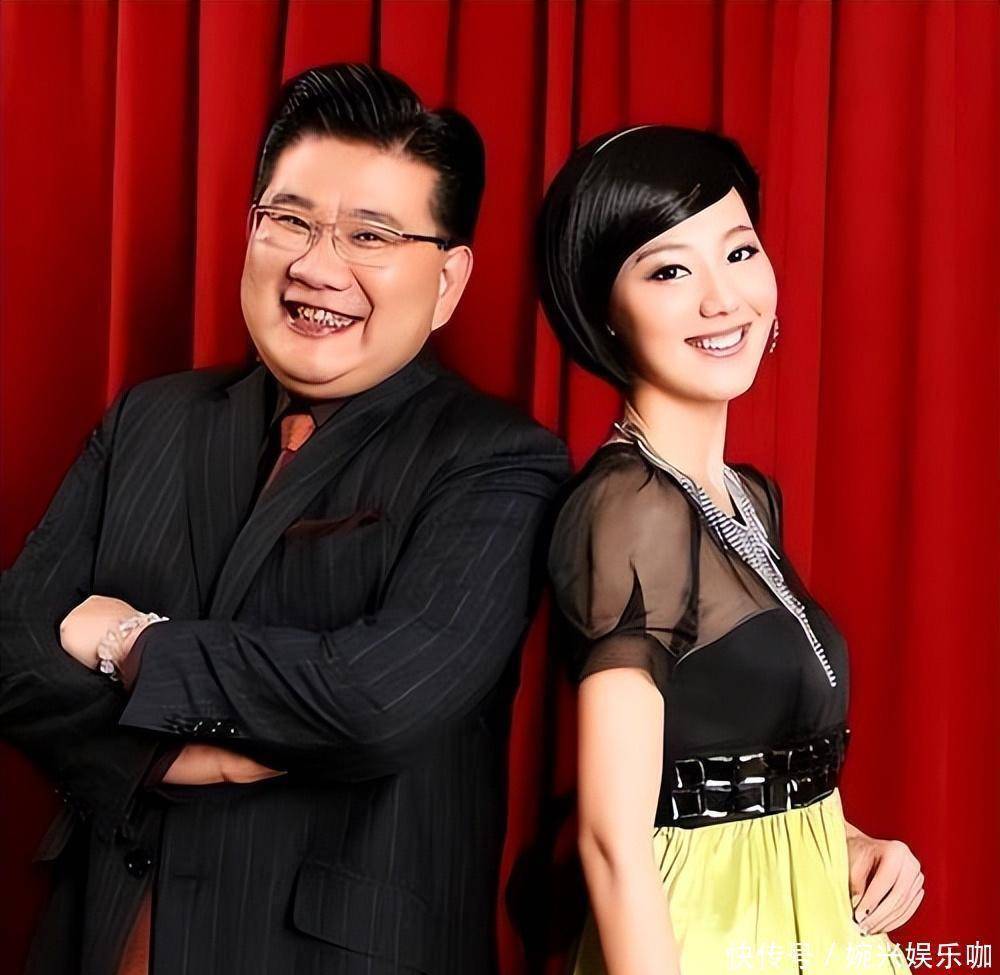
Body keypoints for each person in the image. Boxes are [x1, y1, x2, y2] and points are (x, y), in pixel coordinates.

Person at [1, 62, 570, 974]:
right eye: (290, 220)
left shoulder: (498, 459)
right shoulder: (150, 418)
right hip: (98, 937)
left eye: (370, 235)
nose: (316, 265)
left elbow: (376, 697)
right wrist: (159, 758)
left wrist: (131, 643)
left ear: (448, 279)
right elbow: (13, 644)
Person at [536, 124, 923, 974]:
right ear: (605, 310)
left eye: (740, 252)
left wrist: (851, 844)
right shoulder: (630, 508)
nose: (724, 299)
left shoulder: (747, 497)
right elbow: (612, 839)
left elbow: (729, 757)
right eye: (669, 271)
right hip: (701, 938)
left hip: (810, 924)